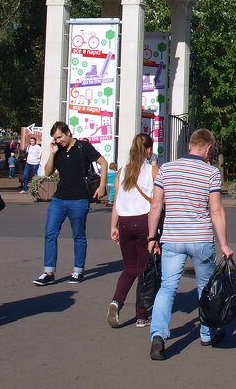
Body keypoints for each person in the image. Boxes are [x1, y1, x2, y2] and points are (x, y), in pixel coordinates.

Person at [147, 128, 234, 360]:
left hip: (172, 238)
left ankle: (158, 334)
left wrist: (152, 237)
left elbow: (156, 206)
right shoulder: (211, 173)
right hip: (200, 238)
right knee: (205, 288)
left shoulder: (166, 169)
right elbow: (215, 210)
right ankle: (207, 333)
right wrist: (224, 243)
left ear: (189, 146)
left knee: (167, 287)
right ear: (207, 148)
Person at [32, 121, 108, 286]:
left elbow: (103, 162)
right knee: (50, 233)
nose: (58, 140)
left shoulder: (83, 147)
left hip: (79, 199)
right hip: (59, 199)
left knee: (78, 235)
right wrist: (52, 153)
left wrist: (102, 186)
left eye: (60, 137)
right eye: (55, 138)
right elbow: (48, 172)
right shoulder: (57, 150)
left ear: (68, 132)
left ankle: (78, 270)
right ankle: (48, 271)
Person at [108, 133, 158, 329]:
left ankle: (116, 302)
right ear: (148, 150)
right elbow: (158, 201)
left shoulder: (123, 171)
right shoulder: (152, 171)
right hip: (144, 222)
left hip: (125, 222)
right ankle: (142, 314)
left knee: (129, 268)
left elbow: (116, 202)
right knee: (144, 271)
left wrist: (114, 226)